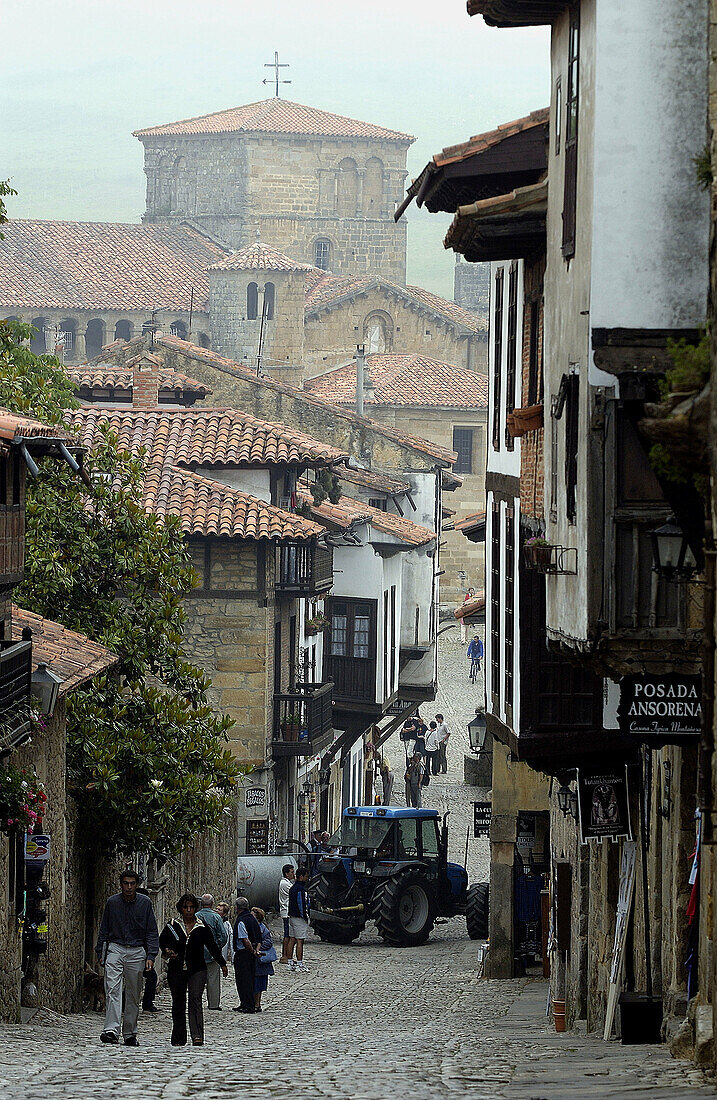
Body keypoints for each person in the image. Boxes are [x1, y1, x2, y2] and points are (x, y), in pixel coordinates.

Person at [96, 868, 159, 1046]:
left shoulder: (145, 903)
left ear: (137, 885)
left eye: (132, 884)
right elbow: (104, 929)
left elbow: (152, 931)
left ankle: (130, 1032)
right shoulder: (112, 903)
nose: (129, 887)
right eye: (126, 883)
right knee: (112, 989)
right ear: (121, 884)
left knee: (133, 993)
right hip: (115, 947)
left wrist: (151, 955)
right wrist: (101, 951)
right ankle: (111, 1030)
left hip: (137, 950)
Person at [159, 893, 228, 1046]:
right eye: (185, 907)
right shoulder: (173, 925)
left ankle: (197, 1035)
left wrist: (222, 963)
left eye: (191, 907)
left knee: (195, 999)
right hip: (176, 968)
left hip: (197, 967)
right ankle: (178, 1036)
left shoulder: (201, 926)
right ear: (181, 909)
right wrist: (168, 951)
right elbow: (162, 941)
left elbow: (212, 945)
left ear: (195, 908)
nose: (188, 910)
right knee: (178, 1001)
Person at [196, 892, 228, 1010]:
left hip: (198, 953)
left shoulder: (196, 916)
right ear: (212, 904)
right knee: (213, 979)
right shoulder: (216, 917)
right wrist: (217, 947)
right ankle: (213, 1004)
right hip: (212, 953)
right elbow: (223, 935)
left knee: (197, 980)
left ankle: (196, 1002)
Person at [233, 897, 262, 1012]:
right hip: (251, 954)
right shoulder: (252, 919)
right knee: (249, 979)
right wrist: (256, 951)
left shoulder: (241, 920)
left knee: (243, 980)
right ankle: (245, 1003)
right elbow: (259, 938)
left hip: (243, 954)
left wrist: (251, 950)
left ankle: (248, 1005)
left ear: (237, 908)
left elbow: (245, 939)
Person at [251, 907, 277, 1011]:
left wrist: (257, 947)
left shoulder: (263, 929)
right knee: (253, 982)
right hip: (253, 959)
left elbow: (268, 942)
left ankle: (257, 1004)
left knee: (259, 984)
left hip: (260, 960)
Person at [287, 867, 311, 972]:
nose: (306, 879)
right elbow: (301, 904)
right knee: (300, 940)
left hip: (292, 916)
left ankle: (290, 961)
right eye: (305, 876)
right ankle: (299, 963)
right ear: (301, 876)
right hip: (298, 918)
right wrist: (305, 916)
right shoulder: (300, 889)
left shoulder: (292, 888)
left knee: (292, 939)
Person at [278, 864, 295, 964]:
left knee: (288, 935)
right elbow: (294, 891)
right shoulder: (285, 884)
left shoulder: (287, 883)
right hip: (287, 912)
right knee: (287, 935)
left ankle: (288, 955)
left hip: (287, 911)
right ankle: (285, 955)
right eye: (291, 872)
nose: (293, 874)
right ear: (286, 873)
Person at [216, 902, 234, 969]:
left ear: (224, 913)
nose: (217, 911)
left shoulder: (226, 924)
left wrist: (232, 957)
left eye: (219, 910)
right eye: (217, 909)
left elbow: (229, 939)